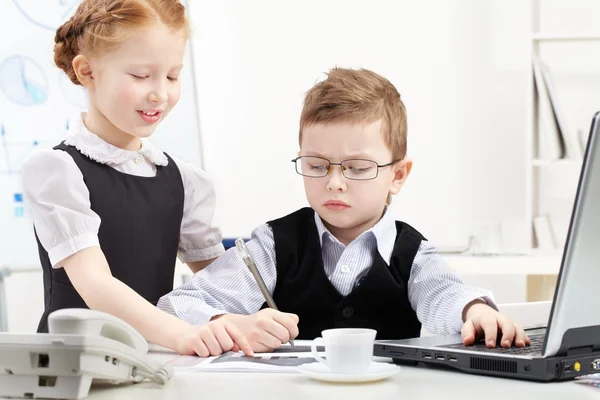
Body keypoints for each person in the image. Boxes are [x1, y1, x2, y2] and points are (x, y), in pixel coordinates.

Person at [158, 67, 531, 352]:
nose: (334, 182)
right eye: (317, 165)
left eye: (357, 168)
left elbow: (444, 294)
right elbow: (178, 306)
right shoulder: (272, 245)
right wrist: (233, 323)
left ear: (398, 175)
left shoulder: (413, 254)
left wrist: (476, 312)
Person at [21, 0, 252, 357]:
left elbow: (219, 281)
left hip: (152, 362)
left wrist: (246, 318)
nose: (161, 93)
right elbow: (96, 284)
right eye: (141, 76)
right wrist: (185, 334)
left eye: (172, 76)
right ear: (87, 72)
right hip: (74, 365)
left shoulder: (183, 179)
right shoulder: (57, 170)